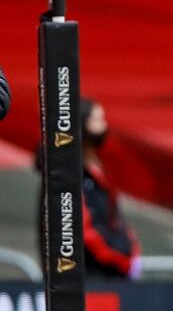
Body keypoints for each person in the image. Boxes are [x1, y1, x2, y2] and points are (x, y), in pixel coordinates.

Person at [37, 99, 141, 279]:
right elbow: (82, 230)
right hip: (88, 277)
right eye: (97, 120)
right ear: (82, 125)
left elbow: (115, 219)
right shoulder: (68, 174)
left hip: (113, 275)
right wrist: (120, 260)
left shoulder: (100, 171)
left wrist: (132, 252)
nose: (105, 125)